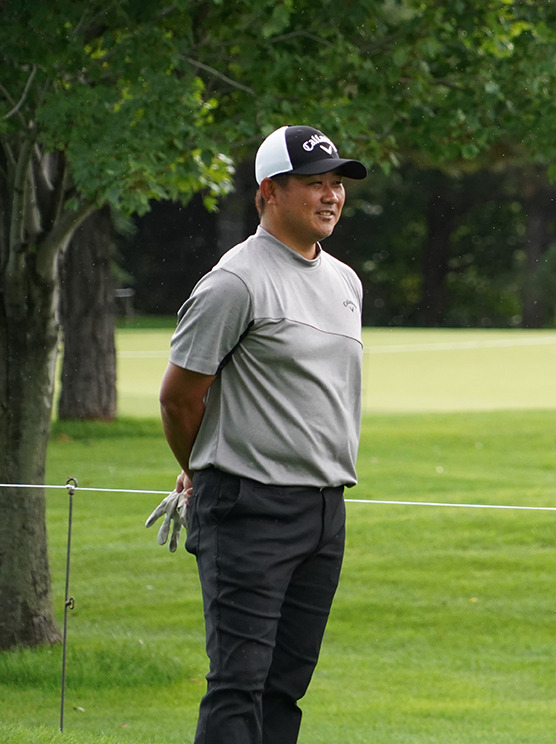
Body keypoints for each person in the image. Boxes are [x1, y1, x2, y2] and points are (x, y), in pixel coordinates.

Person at [158, 124, 368, 744]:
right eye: (313, 183)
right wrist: (202, 467)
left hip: (324, 509)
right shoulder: (236, 281)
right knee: (238, 686)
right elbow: (179, 396)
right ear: (268, 192)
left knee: (285, 688)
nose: (330, 195)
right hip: (247, 505)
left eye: (336, 184)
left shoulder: (346, 282)